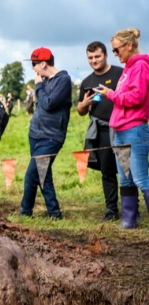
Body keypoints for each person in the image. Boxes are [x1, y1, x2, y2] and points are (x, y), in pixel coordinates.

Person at [97, 28, 149, 229]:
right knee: (126, 178)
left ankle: (131, 219)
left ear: (129, 45)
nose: (115, 54)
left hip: (134, 129)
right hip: (119, 130)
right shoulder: (128, 68)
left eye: (117, 50)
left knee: (141, 178)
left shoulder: (140, 67)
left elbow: (137, 98)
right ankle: (129, 220)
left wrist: (110, 94)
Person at [19, 47, 72, 219]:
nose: (33, 68)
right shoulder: (46, 81)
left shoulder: (63, 80)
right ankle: (54, 213)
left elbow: (49, 103)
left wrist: (39, 86)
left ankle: (25, 213)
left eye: (34, 64)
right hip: (35, 134)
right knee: (43, 175)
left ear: (43, 63)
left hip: (51, 136)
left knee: (32, 174)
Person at [77, 41, 124, 222]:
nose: (94, 60)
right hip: (101, 131)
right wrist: (83, 105)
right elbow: (81, 111)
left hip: (122, 128)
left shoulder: (120, 74)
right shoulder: (87, 82)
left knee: (128, 170)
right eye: (90, 58)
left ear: (106, 55)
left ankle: (133, 209)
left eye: (97, 56)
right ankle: (111, 211)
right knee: (107, 171)